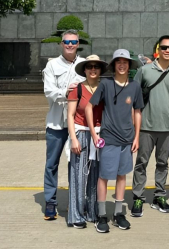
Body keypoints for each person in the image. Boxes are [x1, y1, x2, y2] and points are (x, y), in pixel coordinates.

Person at [130, 35, 169, 217]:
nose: (167, 51)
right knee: (141, 163)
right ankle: (138, 197)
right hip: (146, 125)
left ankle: (159, 196)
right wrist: (134, 124)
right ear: (158, 49)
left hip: (167, 127)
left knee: (163, 163)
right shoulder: (145, 70)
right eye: (164, 47)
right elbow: (134, 97)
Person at [90, 49, 144, 233]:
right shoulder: (105, 84)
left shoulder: (135, 86)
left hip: (127, 139)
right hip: (109, 138)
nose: (122, 65)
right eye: (118, 62)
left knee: (122, 175)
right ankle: (102, 215)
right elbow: (90, 107)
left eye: (125, 62)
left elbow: (137, 111)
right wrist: (94, 133)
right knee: (104, 176)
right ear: (114, 65)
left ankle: (119, 214)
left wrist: (136, 136)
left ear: (129, 65)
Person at [41, 30, 85, 221]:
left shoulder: (84, 65)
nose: (70, 45)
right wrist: (66, 92)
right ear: (61, 43)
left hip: (77, 124)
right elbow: (49, 91)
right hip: (56, 123)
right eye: (66, 41)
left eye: (73, 42)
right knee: (52, 164)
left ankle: (74, 202)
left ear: (78, 43)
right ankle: (50, 202)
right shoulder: (52, 65)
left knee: (76, 164)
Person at [66, 55, 107, 229]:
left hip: (99, 136)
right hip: (81, 133)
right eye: (89, 66)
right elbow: (69, 115)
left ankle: (92, 212)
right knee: (78, 176)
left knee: (96, 176)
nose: (92, 69)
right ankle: (76, 215)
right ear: (84, 69)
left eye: (96, 67)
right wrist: (73, 139)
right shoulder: (78, 89)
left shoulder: (105, 87)